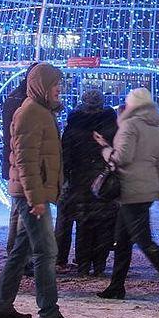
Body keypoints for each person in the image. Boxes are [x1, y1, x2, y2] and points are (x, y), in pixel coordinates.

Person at [0, 63, 78, 318]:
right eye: (55, 84)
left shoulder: (41, 112)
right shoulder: (30, 113)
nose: (59, 89)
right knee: (46, 252)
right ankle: (49, 313)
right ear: (41, 86)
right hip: (30, 194)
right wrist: (35, 197)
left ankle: (1, 307)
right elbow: (25, 161)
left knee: (21, 252)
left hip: (32, 192)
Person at [95, 88, 159, 305]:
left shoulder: (129, 125)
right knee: (123, 240)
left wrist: (105, 149)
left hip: (131, 190)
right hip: (145, 191)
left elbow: (122, 157)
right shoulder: (156, 128)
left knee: (144, 242)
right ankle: (116, 285)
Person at [59, 89, 118, 276]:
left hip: (80, 179)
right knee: (103, 222)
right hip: (103, 179)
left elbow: (66, 153)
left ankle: (83, 263)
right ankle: (99, 263)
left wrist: (68, 174)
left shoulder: (74, 124)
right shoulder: (111, 124)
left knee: (84, 222)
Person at [0, 64, 38, 272]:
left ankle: (17, 255)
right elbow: (23, 139)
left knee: (18, 210)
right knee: (25, 211)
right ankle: (22, 258)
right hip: (23, 164)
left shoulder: (16, 97)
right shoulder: (25, 103)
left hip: (15, 162)